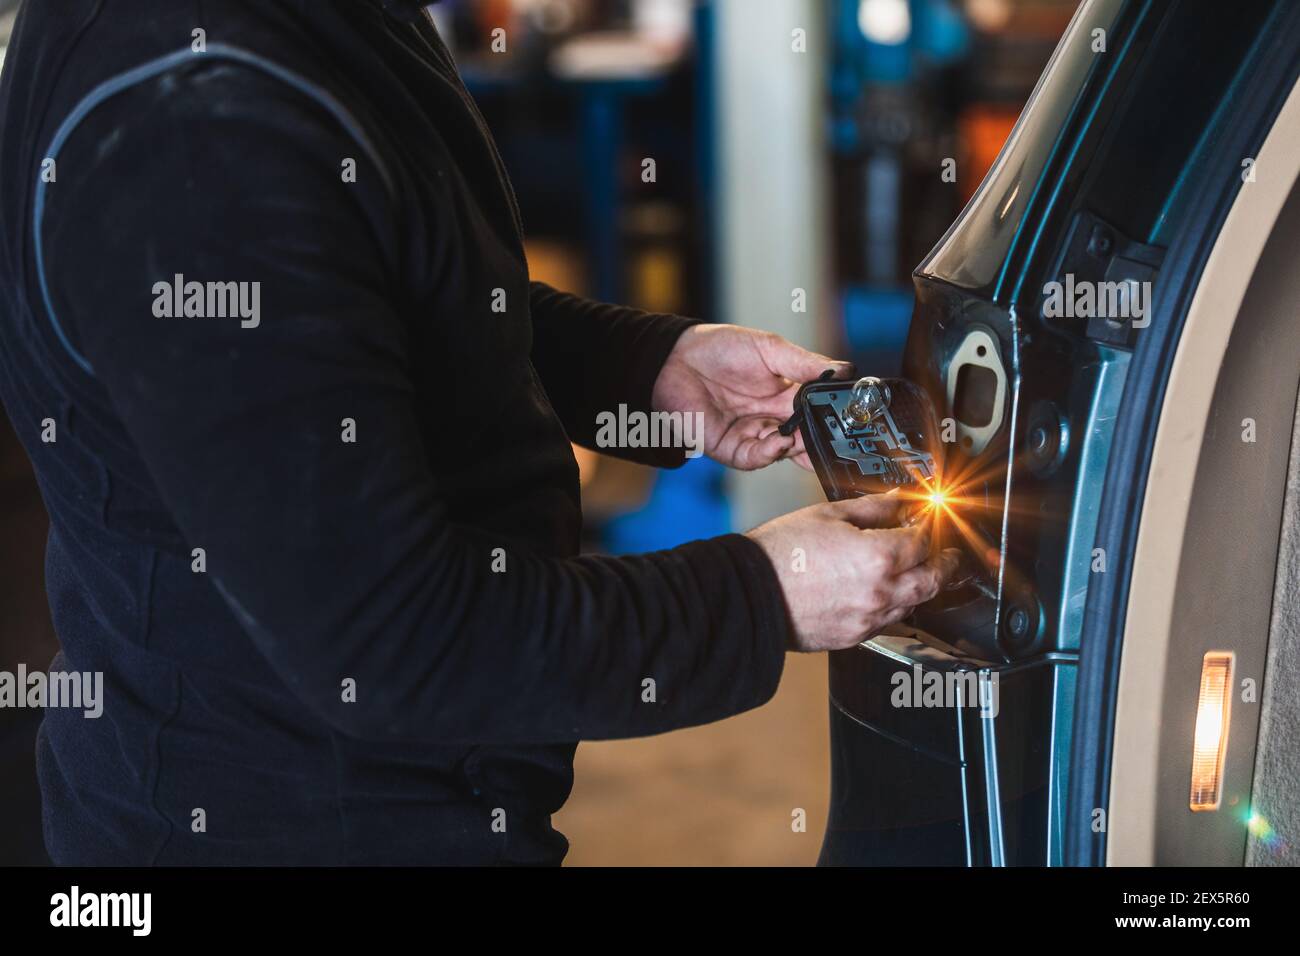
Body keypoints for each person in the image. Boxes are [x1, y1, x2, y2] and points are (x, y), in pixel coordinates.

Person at [0, 0, 956, 865]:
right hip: (295, 827)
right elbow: (395, 645)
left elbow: (379, 298)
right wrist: (763, 598)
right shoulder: (194, 136)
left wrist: (649, 369)